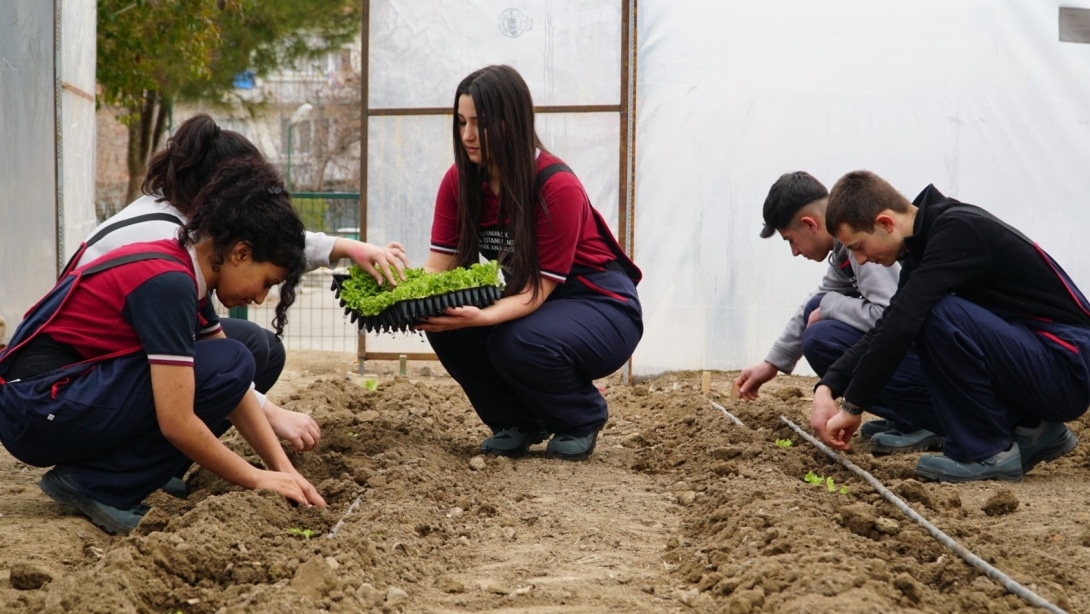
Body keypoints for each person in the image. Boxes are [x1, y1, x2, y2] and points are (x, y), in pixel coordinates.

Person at [0, 157, 326, 534]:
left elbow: (236, 391)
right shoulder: (168, 282)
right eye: (268, 281)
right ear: (240, 253)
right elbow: (178, 421)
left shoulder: (185, 269)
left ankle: (122, 473)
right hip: (37, 409)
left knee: (236, 360)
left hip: (55, 399)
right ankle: (99, 485)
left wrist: (283, 472)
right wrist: (257, 478)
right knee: (232, 360)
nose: (260, 297)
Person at [72, 113, 410, 455]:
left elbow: (267, 245)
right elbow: (258, 249)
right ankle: (115, 473)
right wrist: (268, 414)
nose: (263, 297)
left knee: (257, 348)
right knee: (230, 360)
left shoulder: (184, 221)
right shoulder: (166, 242)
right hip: (82, 377)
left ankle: (153, 462)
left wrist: (349, 248)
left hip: (108, 365)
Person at [416, 65, 643, 461]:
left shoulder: (555, 185)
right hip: (535, 305)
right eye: (461, 122)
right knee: (444, 323)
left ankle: (581, 416)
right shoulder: (460, 181)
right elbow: (438, 269)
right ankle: (516, 421)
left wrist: (482, 318)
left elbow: (537, 290)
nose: (467, 136)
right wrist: (405, 297)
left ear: (511, 123)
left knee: (515, 340)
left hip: (601, 306)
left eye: (480, 124)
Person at [812, 170, 1089, 482]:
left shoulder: (958, 230)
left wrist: (852, 406)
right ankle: (1030, 427)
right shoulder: (925, 244)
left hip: (1066, 364)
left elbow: (903, 323)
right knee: (916, 316)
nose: (860, 260)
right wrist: (829, 386)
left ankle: (986, 450)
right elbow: (888, 324)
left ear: (886, 223)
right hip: (1039, 359)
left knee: (933, 311)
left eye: (859, 246)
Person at [734, 171, 941, 454]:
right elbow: (817, 300)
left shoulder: (863, 245)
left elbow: (890, 315)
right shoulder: (844, 248)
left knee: (821, 339)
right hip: (921, 353)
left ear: (809, 224)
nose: (794, 252)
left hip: (934, 358)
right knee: (816, 312)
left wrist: (831, 306)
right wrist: (772, 364)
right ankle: (906, 417)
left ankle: (924, 419)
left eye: (791, 240)